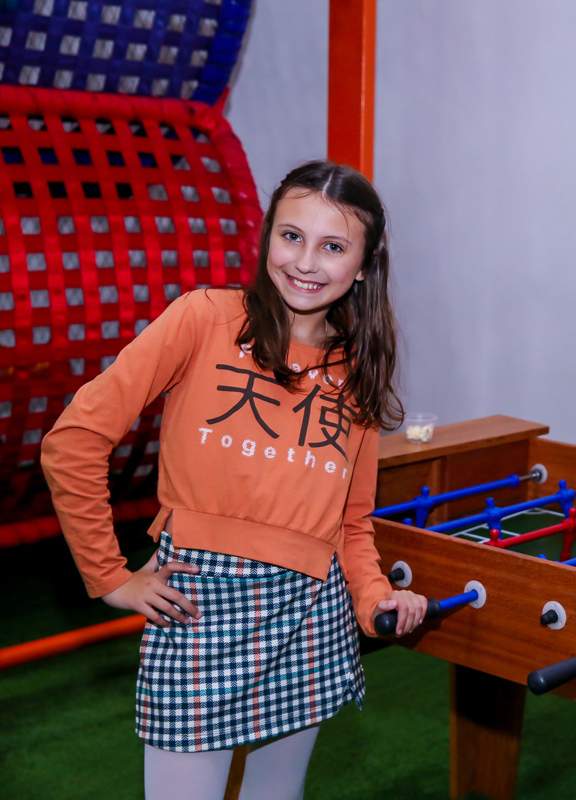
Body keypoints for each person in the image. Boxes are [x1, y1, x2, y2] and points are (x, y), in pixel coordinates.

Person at [40, 161, 426, 800]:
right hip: (198, 607)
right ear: (268, 235)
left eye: (333, 246)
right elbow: (73, 440)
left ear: (364, 264)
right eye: (291, 236)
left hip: (310, 614)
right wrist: (109, 576)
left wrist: (375, 597)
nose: (305, 262)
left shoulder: (357, 364)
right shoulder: (205, 318)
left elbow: (350, 524)